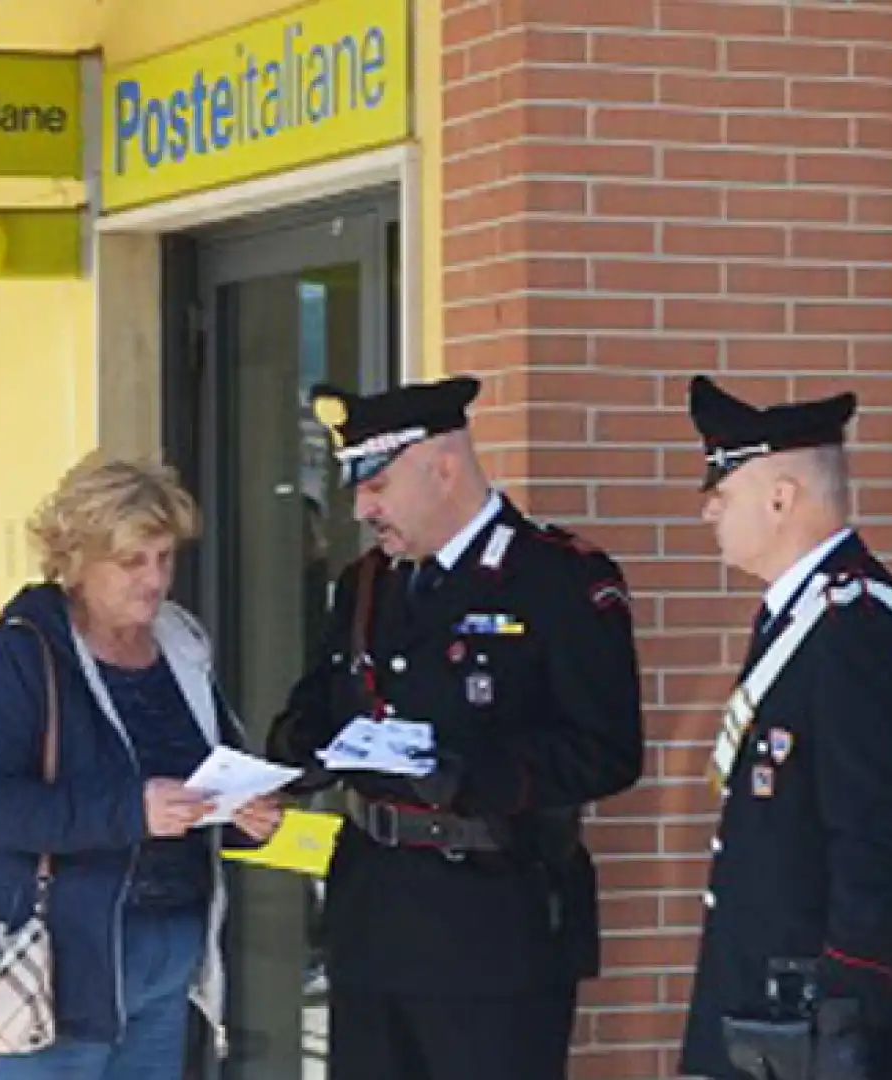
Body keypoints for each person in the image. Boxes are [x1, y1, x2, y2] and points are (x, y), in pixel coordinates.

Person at [264, 375, 644, 1080]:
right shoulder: (367, 582)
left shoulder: (557, 579)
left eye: (376, 483)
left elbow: (607, 750)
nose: (361, 506)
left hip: (493, 924)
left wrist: (470, 779)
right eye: (355, 485)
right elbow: (316, 699)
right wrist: (296, 755)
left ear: (443, 469)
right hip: (372, 918)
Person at [0, 454, 283, 1080]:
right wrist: (131, 810)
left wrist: (243, 814)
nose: (154, 580)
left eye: (164, 558)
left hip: (174, 944)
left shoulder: (180, 640)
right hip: (64, 957)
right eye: (132, 562)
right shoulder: (26, 648)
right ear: (75, 560)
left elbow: (210, 769)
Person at [676, 375, 892, 1080]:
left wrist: (848, 1011)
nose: (710, 511)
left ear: (781, 498)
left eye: (725, 491)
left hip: (825, 1024)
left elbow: (876, 840)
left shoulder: (853, 627)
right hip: (775, 1014)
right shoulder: (801, 614)